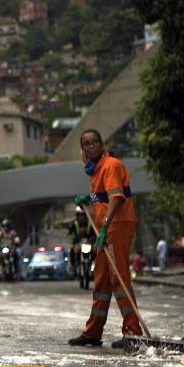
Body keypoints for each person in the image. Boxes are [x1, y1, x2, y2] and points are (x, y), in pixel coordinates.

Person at [69, 129, 143, 348]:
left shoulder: (110, 165)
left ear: (101, 144)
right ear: (82, 149)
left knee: (118, 278)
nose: (91, 146)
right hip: (107, 229)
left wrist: (105, 226)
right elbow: (102, 197)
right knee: (101, 279)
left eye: (94, 142)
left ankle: (133, 333)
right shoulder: (96, 170)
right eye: (86, 144)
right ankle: (93, 332)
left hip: (116, 226)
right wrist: (89, 198)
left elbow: (116, 197)